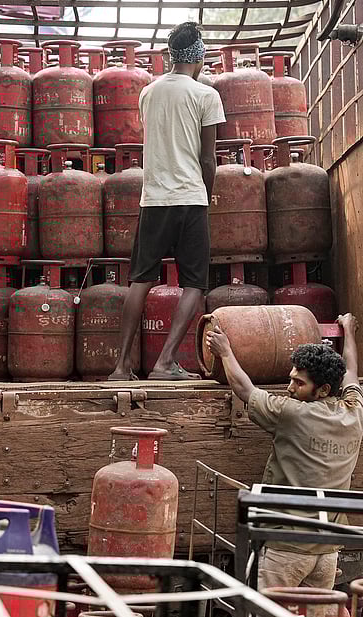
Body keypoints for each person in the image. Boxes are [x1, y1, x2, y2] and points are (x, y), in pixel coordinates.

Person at [206, 313, 363, 590]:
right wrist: (349, 330)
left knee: (266, 610)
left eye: (299, 383)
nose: (290, 388)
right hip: (327, 550)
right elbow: (351, 372)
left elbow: (245, 389)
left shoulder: (292, 414)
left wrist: (226, 352)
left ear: (324, 389)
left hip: (285, 548)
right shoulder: (353, 412)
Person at [108, 21, 226, 381]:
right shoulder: (206, 95)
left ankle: (120, 367)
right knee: (194, 283)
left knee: (140, 280)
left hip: (154, 197)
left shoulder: (149, 92)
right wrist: (205, 196)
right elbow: (208, 159)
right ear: (199, 56)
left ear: (171, 55)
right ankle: (164, 363)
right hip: (190, 197)